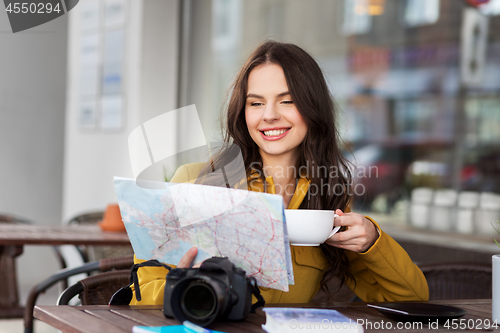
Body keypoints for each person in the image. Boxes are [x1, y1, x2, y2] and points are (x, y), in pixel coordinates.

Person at [130, 41, 428, 305]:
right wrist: (186, 287)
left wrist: (373, 241)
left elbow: (412, 301)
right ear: (243, 112)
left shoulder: (326, 199)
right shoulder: (194, 181)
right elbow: (141, 293)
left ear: (313, 109)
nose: (269, 114)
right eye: (256, 103)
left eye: (287, 100)